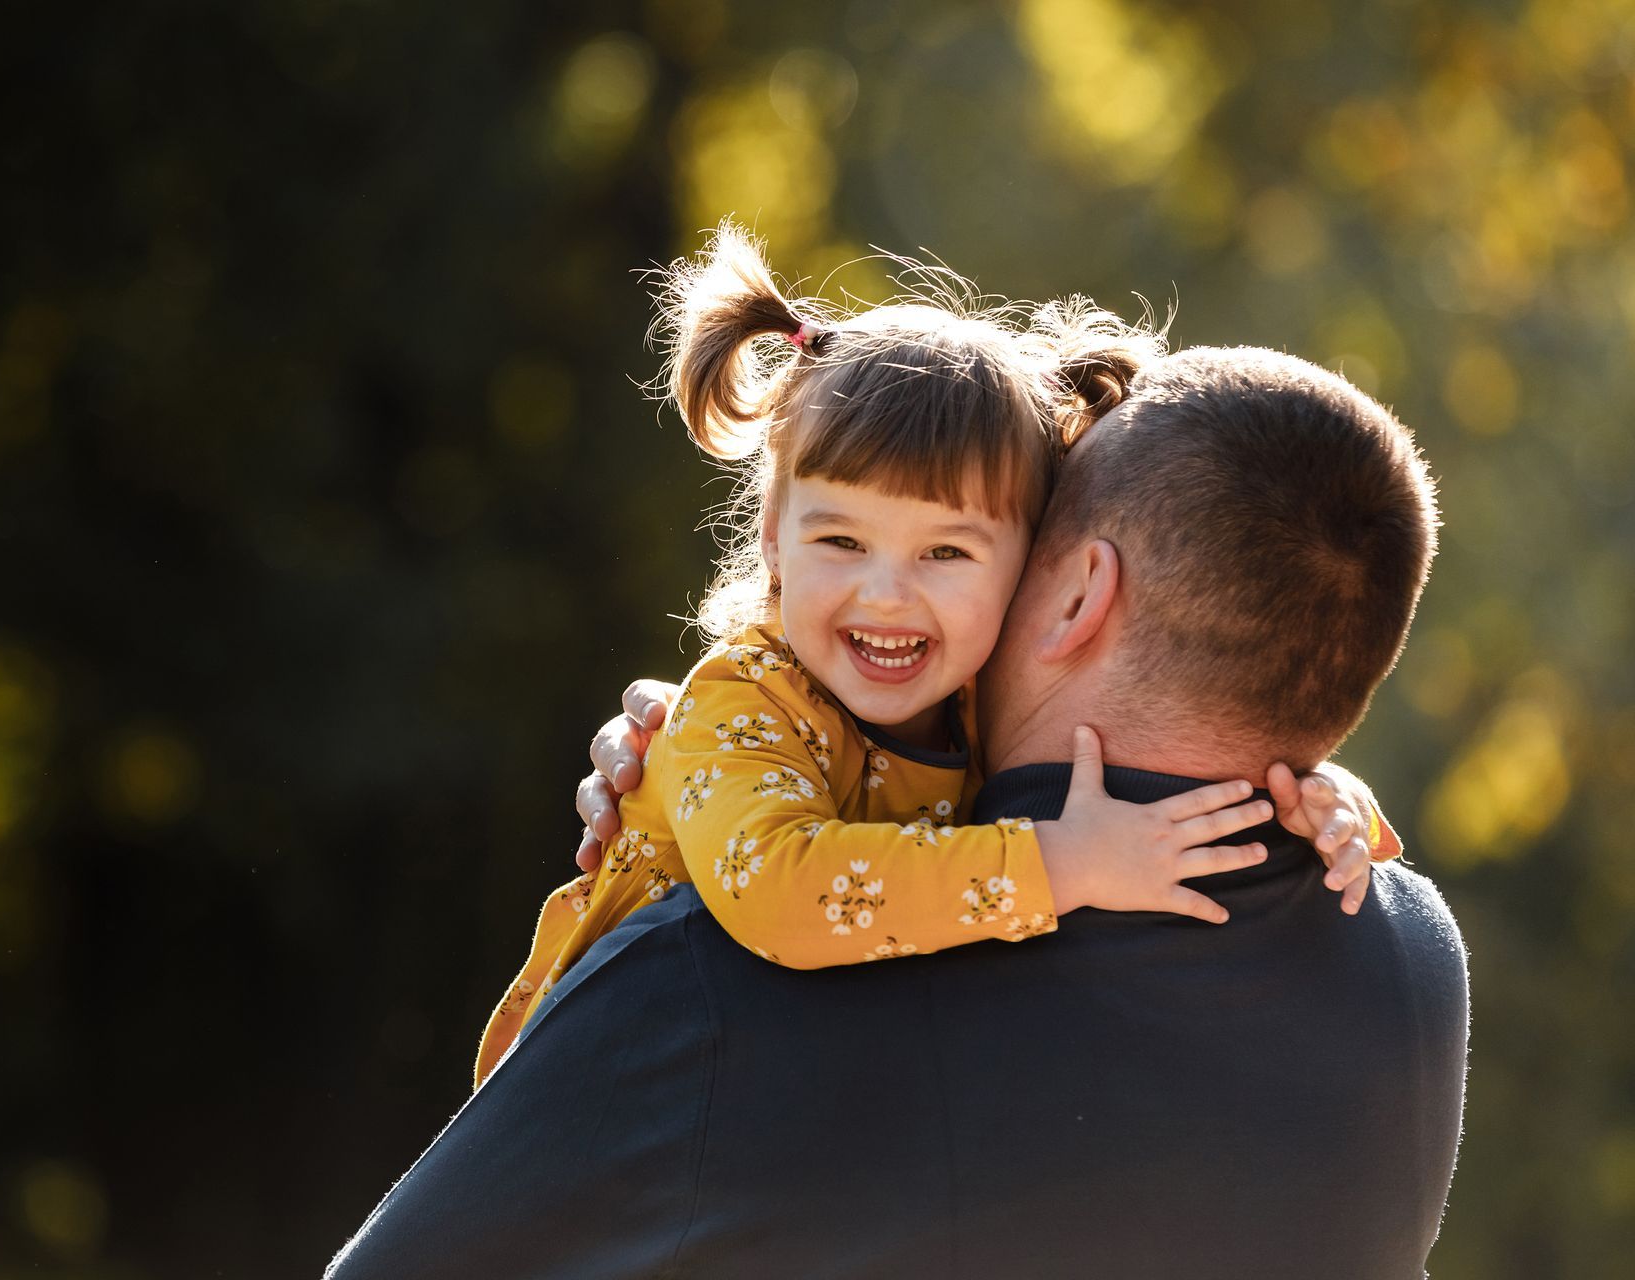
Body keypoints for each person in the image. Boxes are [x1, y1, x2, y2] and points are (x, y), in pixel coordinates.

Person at [324, 345, 1465, 1278]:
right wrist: (752, 745)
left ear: (1075, 594)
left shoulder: (719, 988)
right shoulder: (1410, 960)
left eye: (987, 547)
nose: (897, 595)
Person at [476, 225, 1399, 1085]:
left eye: (947, 553)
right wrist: (1059, 865)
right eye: (840, 542)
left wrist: (1315, 796)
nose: (886, 594)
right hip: (596, 1100)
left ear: (1032, 565)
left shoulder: (963, 710)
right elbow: (785, 895)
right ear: (771, 535)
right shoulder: (737, 707)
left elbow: (1193, 715)